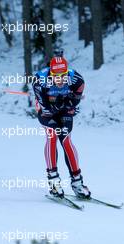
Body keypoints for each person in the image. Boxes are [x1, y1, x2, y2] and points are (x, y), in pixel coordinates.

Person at [33, 55, 91, 199]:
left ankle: (77, 182)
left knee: (66, 140)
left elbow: (75, 102)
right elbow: (46, 109)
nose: (60, 80)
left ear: (67, 73)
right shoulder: (39, 80)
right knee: (52, 136)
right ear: (50, 74)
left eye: (63, 76)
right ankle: (54, 182)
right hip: (46, 110)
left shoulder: (77, 79)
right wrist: (58, 104)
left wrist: (67, 104)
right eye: (56, 76)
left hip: (64, 109)